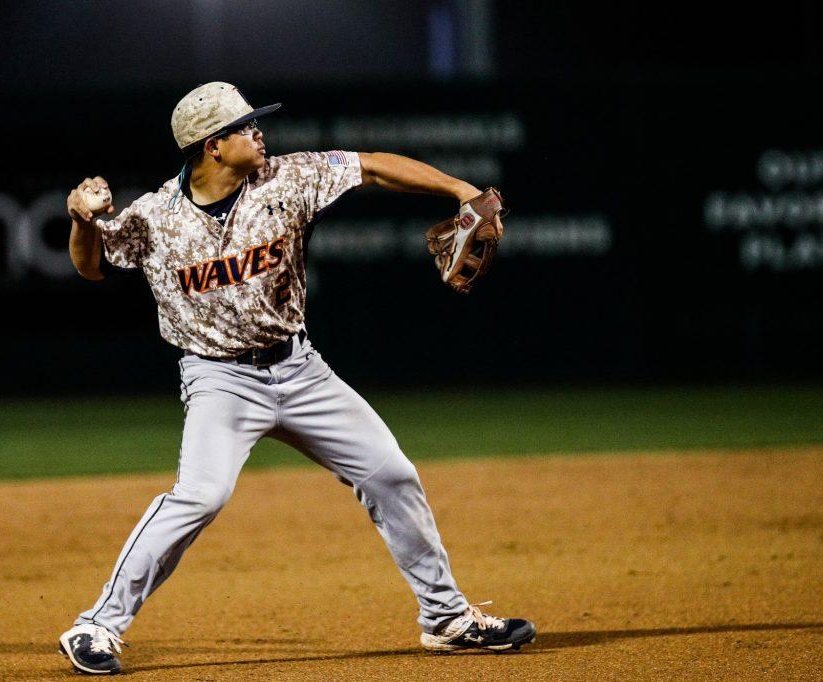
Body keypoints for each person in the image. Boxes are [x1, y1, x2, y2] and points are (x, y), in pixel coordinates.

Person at [57, 82, 535, 675]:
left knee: (391, 474)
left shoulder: (287, 178)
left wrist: (460, 189)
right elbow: (91, 265)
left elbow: (372, 168)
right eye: (246, 126)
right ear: (211, 147)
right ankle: (98, 625)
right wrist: (81, 219)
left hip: (302, 369)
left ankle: (446, 619)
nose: (260, 132)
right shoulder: (158, 217)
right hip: (219, 381)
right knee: (202, 496)